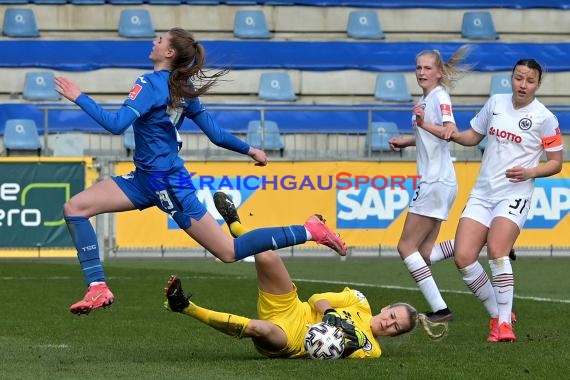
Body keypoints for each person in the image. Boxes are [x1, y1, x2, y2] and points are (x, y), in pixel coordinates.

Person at [54, 28, 346, 316]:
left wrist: (80, 96)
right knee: (76, 208)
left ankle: (310, 230)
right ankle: (97, 286)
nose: (153, 42)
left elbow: (116, 124)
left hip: (166, 182)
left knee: (228, 252)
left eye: (159, 40)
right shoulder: (182, 88)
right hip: (146, 178)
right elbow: (216, 134)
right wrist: (250, 150)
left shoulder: (149, 83)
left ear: (168, 52)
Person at [162, 192, 448, 359]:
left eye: (395, 327)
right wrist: (332, 317)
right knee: (266, 254)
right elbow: (317, 298)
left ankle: (185, 306)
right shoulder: (358, 301)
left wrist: (340, 339)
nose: (389, 323)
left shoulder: (371, 348)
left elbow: (331, 351)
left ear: (394, 335)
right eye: (393, 316)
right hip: (290, 307)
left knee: (259, 329)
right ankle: (236, 226)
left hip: (290, 339)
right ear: (387, 307)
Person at [415, 58, 563, 342]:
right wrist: (452, 134)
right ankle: (497, 312)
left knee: (497, 250)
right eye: (519, 78)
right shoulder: (495, 103)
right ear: (511, 77)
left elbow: (556, 162)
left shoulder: (545, 117)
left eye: (530, 81)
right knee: (464, 256)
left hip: (514, 194)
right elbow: (473, 136)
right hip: (483, 192)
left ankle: (504, 324)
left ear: (538, 84)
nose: (523, 84)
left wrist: (531, 171)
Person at [387, 46, 472, 322]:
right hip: (440, 181)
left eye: (427, 68)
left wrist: (423, 126)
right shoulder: (425, 98)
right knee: (423, 253)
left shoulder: (439, 97)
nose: (421, 72)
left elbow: (449, 131)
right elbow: (429, 135)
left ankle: (440, 309)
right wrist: (407, 140)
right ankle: (481, 242)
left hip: (435, 181)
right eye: (418, 68)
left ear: (438, 72)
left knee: (405, 247)